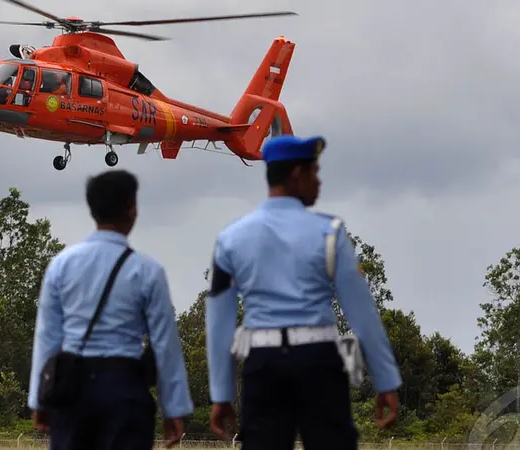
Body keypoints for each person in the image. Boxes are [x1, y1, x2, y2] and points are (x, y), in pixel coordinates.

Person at [204, 135, 402, 450]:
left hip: (264, 363)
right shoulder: (330, 232)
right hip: (319, 362)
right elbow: (362, 313)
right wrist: (386, 380)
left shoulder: (231, 239)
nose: (318, 183)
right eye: (315, 173)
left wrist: (221, 394)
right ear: (297, 174)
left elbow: (219, 323)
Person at [27, 169, 193, 450]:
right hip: (124, 388)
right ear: (132, 209)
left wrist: (40, 399)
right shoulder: (147, 271)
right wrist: (174, 407)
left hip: (72, 390)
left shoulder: (61, 265)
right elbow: (165, 344)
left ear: (92, 209)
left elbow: (47, 337)